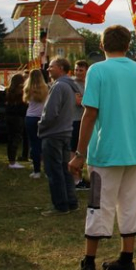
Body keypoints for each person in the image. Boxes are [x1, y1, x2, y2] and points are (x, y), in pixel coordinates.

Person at [68, 25, 136, 270]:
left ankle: (88, 262)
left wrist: (79, 153)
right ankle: (126, 260)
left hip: (104, 153)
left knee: (98, 204)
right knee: (130, 205)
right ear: (128, 45)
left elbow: (90, 112)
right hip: (134, 153)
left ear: (102, 45)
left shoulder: (98, 71)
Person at [39, 58, 81, 215]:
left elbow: (50, 113)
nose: (48, 69)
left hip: (54, 133)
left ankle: (60, 205)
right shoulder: (69, 86)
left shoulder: (58, 87)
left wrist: (41, 126)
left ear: (61, 68)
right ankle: (71, 202)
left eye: (51, 67)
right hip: (65, 132)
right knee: (65, 169)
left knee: (54, 170)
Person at [24, 68, 49, 179]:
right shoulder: (46, 88)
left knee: (34, 144)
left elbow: (25, 101)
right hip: (42, 117)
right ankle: (48, 170)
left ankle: (36, 170)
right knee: (45, 144)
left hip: (30, 117)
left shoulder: (28, 89)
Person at [72, 60, 89, 188]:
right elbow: (78, 101)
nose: (77, 72)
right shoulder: (73, 84)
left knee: (83, 149)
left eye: (80, 70)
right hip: (75, 120)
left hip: (86, 119)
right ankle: (75, 179)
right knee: (75, 149)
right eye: (76, 70)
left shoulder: (88, 83)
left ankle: (80, 176)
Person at [4, 74, 27, 170]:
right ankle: (13, 161)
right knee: (16, 138)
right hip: (18, 117)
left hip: (9, 116)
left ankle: (11, 160)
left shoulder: (8, 91)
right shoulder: (21, 92)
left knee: (10, 138)